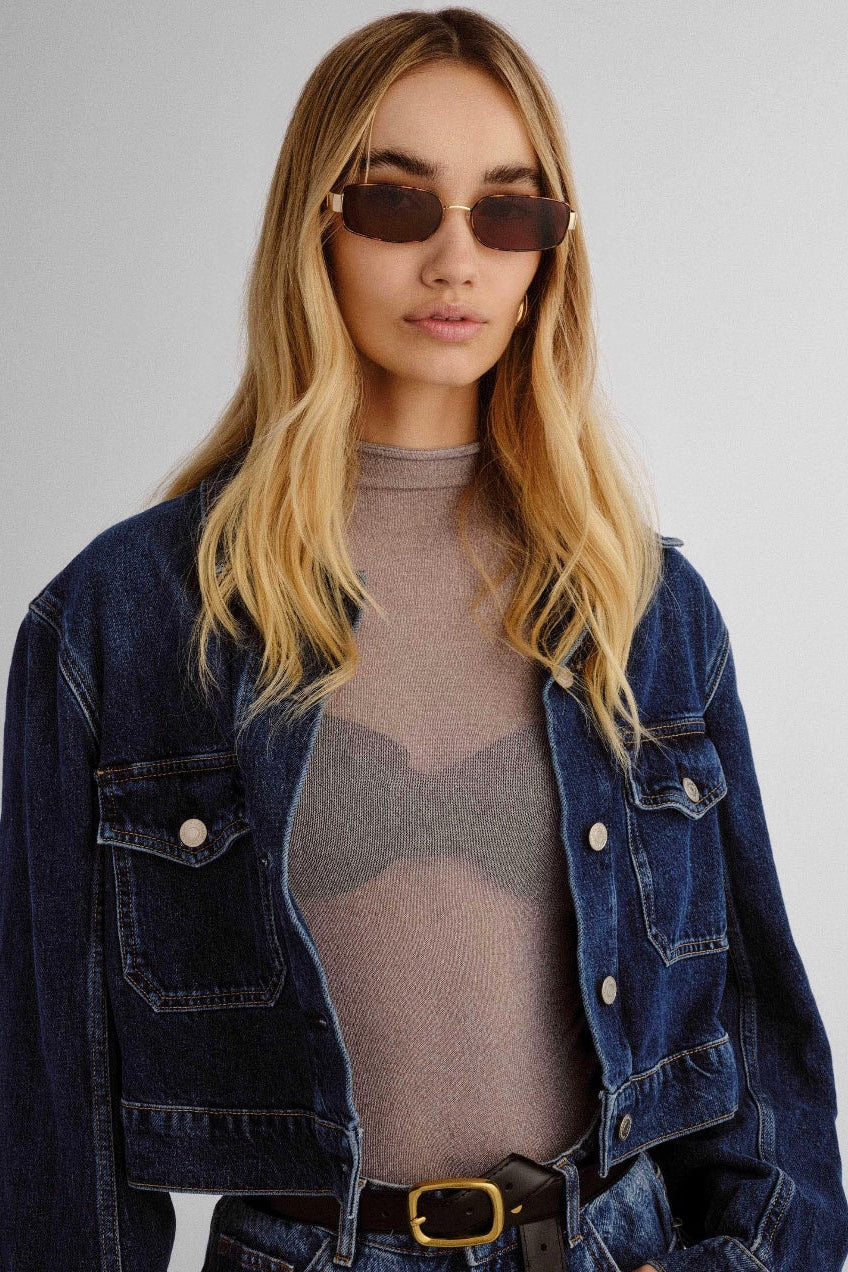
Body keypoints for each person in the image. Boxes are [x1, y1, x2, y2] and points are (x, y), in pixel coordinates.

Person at [1, 8, 846, 1272]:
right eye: (398, 204)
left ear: (546, 258)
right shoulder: (123, 621)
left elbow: (760, 1059)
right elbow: (52, 1112)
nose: (456, 259)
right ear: (317, 227)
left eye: (506, 212)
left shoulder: (641, 606)